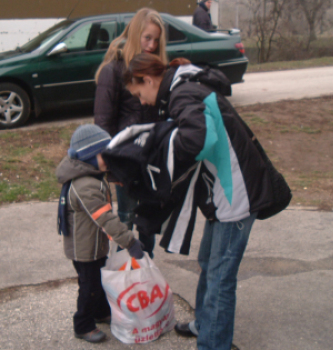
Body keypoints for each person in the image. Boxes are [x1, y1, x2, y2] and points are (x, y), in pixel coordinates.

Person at [123, 53, 276, 350]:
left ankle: (213, 343)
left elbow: (198, 140)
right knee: (209, 262)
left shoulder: (182, 94)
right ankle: (205, 324)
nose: (142, 102)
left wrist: (158, 150)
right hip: (223, 193)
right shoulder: (184, 88)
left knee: (220, 277)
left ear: (149, 80)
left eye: (139, 94)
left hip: (236, 196)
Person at [56, 124, 144, 343]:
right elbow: (105, 218)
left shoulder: (91, 174)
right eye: (106, 154)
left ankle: (100, 311)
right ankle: (83, 324)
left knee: (98, 281)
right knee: (89, 286)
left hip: (94, 245)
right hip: (84, 250)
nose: (111, 158)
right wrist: (129, 241)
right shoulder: (85, 185)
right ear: (89, 156)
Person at [94, 8, 168, 258]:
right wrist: (113, 165)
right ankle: (125, 271)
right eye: (147, 37)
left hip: (152, 159)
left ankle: (145, 272)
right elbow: (103, 123)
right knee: (125, 220)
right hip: (126, 160)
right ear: (136, 35)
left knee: (149, 220)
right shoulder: (113, 70)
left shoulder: (155, 70)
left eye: (156, 40)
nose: (152, 44)